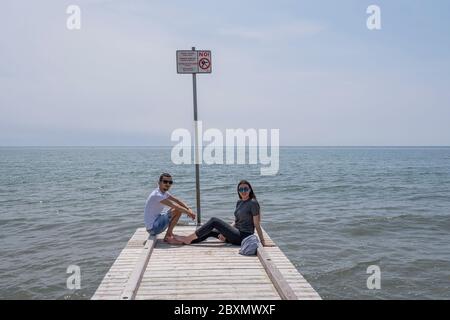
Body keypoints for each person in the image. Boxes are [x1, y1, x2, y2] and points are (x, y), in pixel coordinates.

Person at [177, 180, 268, 246]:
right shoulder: (239, 202)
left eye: (246, 189)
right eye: (241, 189)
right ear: (238, 191)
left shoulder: (253, 203)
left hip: (244, 236)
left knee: (214, 221)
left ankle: (188, 238)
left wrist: (263, 242)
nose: (243, 191)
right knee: (211, 231)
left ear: (250, 190)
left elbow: (257, 224)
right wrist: (225, 234)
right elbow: (236, 221)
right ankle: (185, 241)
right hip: (236, 234)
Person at [144, 173, 196, 244]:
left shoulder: (163, 192)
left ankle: (169, 234)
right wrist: (189, 213)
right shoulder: (157, 195)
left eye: (170, 182)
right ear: (159, 182)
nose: (168, 184)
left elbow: (177, 200)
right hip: (153, 228)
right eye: (165, 182)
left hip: (155, 223)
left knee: (176, 210)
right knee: (177, 210)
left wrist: (188, 209)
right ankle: (168, 236)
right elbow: (176, 206)